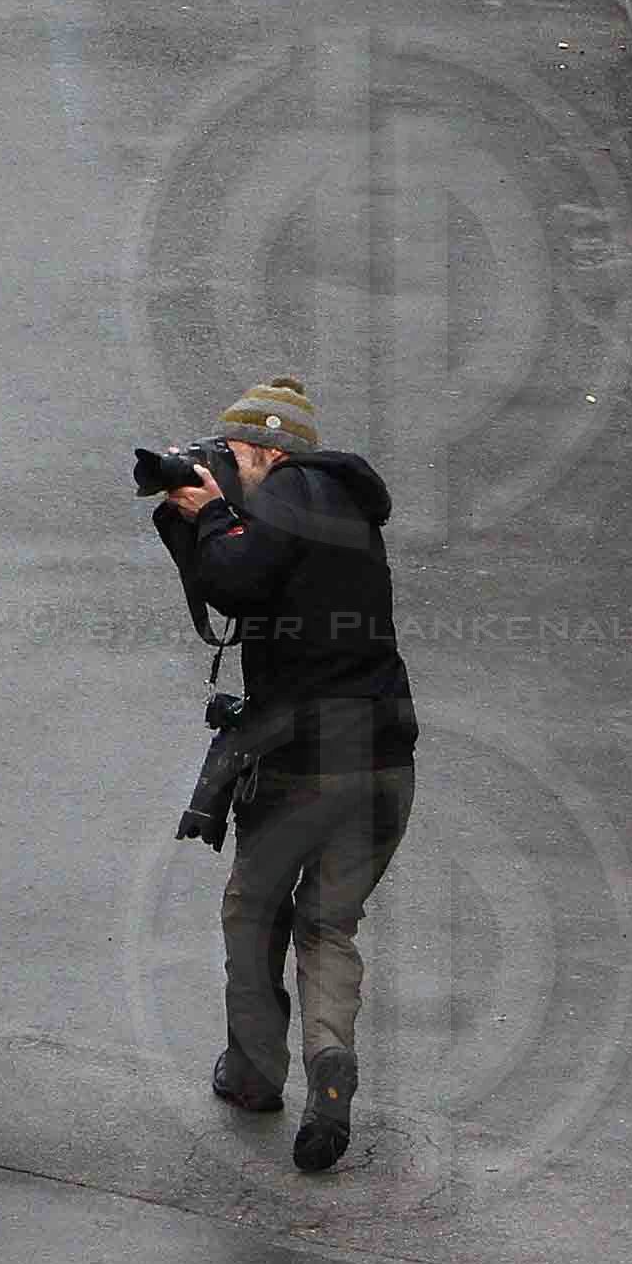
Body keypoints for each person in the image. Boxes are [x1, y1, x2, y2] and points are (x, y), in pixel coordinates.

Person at [154, 374, 413, 1173]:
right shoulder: (341, 503)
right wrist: (197, 524)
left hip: (306, 762)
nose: (223, 467)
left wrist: (211, 518)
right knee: (329, 925)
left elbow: (235, 579)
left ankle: (257, 1075)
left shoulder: (289, 493)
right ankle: (331, 1071)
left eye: (230, 453)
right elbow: (250, 590)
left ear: (268, 448)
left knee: (253, 910)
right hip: (386, 759)